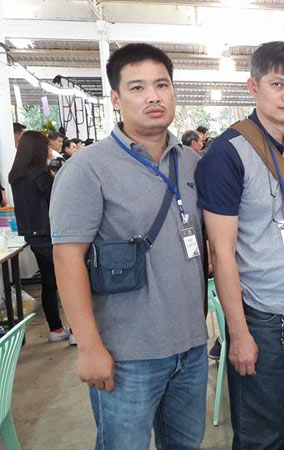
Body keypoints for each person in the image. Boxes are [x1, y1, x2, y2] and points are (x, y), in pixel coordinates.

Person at [50, 43, 208, 449]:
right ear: (116, 99)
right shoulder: (87, 169)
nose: (153, 96)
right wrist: (89, 347)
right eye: (138, 88)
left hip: (191, 347)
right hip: (126, 355)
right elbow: (67, 259)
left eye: (162, 85)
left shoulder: (191, 163)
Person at [196, 41, 284, 449]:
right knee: (259, 434)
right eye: (278, 84)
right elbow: (221, 253)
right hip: (261, 317)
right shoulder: (227, 154)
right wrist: (238, 333)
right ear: (253, 87)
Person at [10, 131, 72, 343]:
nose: (49, 149)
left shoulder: (16, 175)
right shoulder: (39, 175)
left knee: (50, 281)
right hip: (49, 234)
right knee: (70, 280)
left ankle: (56, 329)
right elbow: (58, 199)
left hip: (32, 235)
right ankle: (76, 331)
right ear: (37, 149)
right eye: (45, 146)